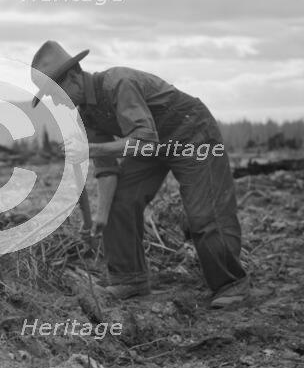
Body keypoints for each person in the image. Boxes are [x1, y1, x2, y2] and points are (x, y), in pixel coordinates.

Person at [30, 40, 249, 308]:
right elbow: (107, 167)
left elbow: (144, 142)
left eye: (54, 92)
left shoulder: (117, 83)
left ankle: (230, 284)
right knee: (119, 204)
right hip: (149, 143)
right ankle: (129, 278)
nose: (54, 100)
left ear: (74, 76)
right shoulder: (85, 112)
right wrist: (102, 214)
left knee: (206, 212)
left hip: (190, 132)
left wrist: (91, 149)